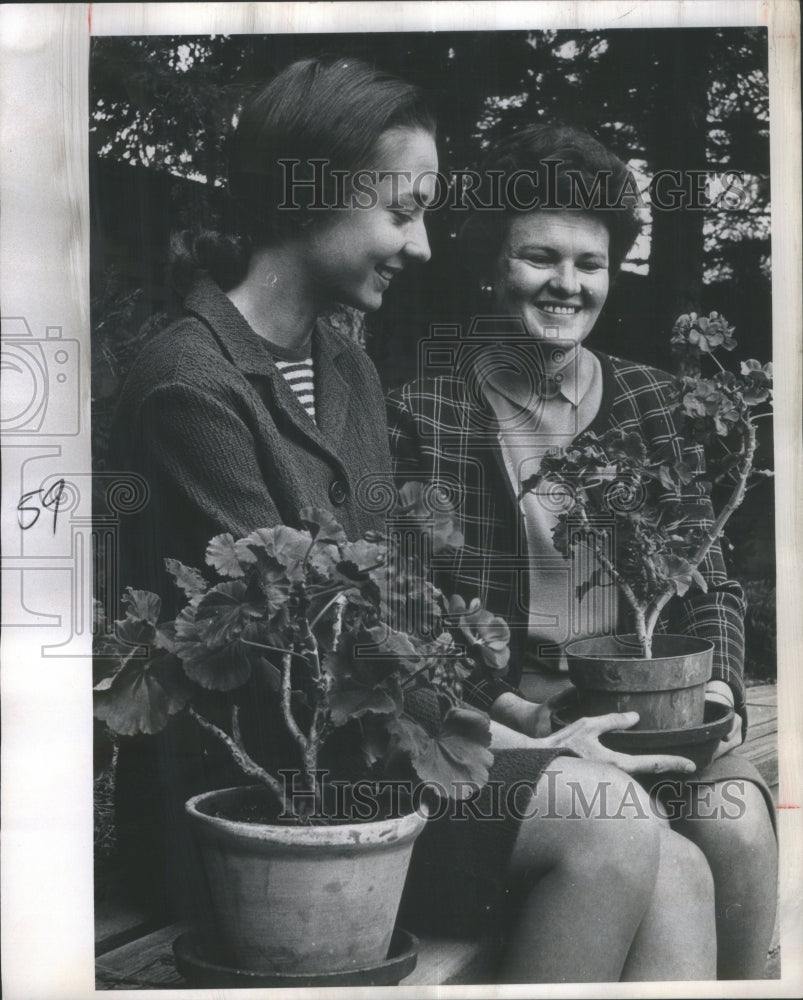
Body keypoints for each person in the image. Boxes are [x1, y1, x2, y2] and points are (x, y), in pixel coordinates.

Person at [108, 63, 715, 983]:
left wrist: (519, 716)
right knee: (610, 826)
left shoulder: (341, 369)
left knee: (678, 865)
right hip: (264, 800)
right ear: (303, 194)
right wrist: (527, 748)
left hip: (368, 762)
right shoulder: (190, 388)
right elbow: (309, 658)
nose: (424, 247)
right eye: (402, 211)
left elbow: (396, 597)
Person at [387, 122, 777, 980]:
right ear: (493, 264)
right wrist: (530, 722)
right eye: (539, 258)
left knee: (739, 828)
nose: (566, 284)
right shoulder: (425, 415)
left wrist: (712, 689)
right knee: (660, 864)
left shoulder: (658, 404)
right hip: (519, 726)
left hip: (665, 708)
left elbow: (709, 579)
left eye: (589, 265)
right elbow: (414, 617)